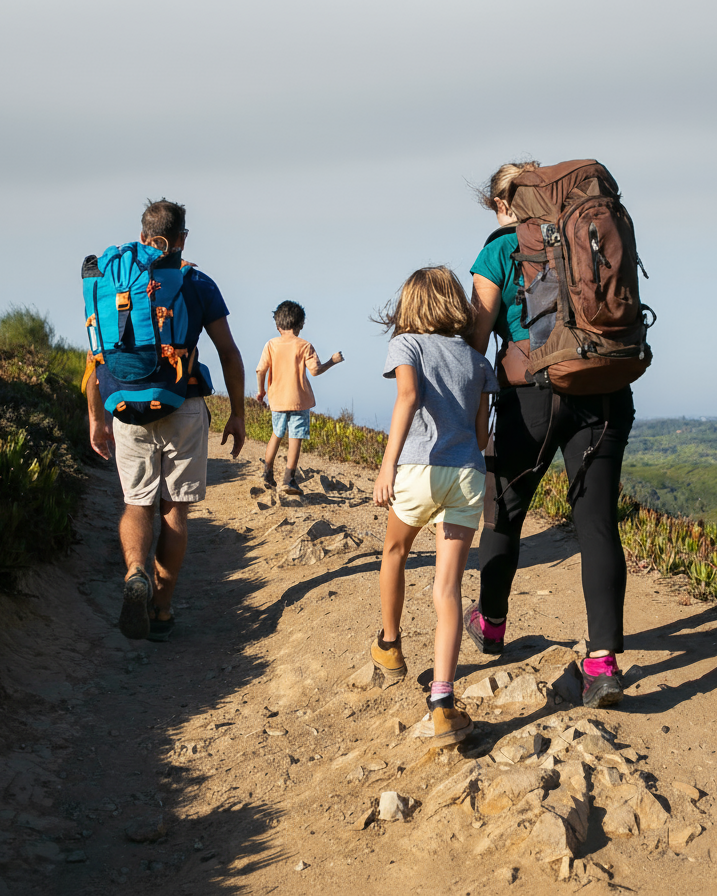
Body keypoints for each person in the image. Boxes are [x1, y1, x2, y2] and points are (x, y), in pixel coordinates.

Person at [463, 161, 636, 708]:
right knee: (597, 524)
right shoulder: (592, 229)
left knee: (506, 513)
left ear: (504, 204)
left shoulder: (498, 250)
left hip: (530, 394)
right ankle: (602, 664)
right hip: (604, 384)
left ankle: (491, 625)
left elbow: (476, 334)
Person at [86, 199, 246, 642]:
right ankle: (160, 609)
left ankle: (136, 571)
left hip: (124, 406)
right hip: (183, 404)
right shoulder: (196, 281)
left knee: (137, 503)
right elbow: (229, 352)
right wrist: (237, 413)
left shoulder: (111, 280)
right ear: (182, 239)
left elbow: (95, 354)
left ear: (142, 234)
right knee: (175, 509)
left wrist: (96, 418)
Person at [371, 266, 499, 746]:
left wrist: (388, 466)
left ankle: (389, 645)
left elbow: (407, 397)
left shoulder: (407, 346)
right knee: (448, 589)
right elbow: (483, 433)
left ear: (411, 305)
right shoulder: (476, 358)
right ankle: (442, 702)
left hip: (420, 470)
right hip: (467, 475)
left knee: (395, 553)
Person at [256, 300, 343, 495]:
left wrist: (261, 391)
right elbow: (315, 371)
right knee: (295, 437)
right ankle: (289, 479)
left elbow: (260, 369)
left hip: (277, 399)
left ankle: (267, 472)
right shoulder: (305, 346)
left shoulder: (270, 345)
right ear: (301, 324)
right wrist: (332, 361)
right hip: (299, 400)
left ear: (278, 325)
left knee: (276, 434)